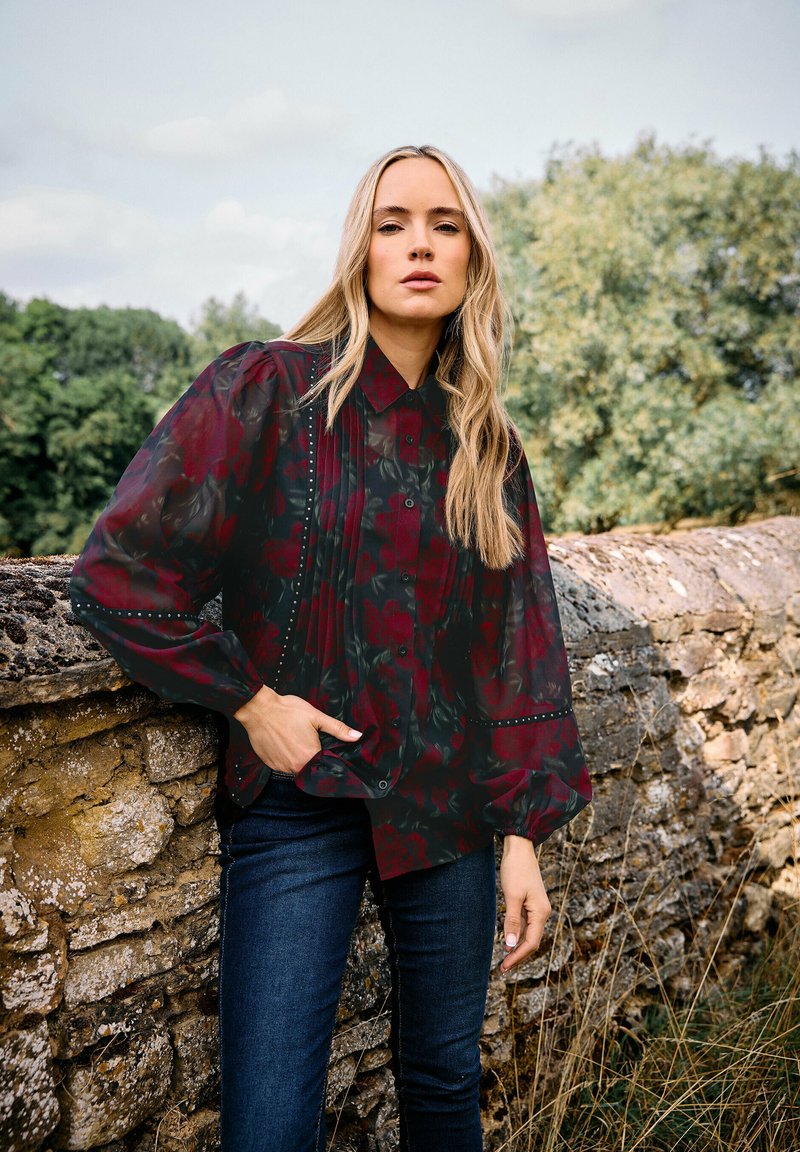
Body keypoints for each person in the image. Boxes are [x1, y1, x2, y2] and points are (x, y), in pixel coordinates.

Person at [70, 144, 591, 1152]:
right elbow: (121, 571)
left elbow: (515, 646)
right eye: (393, 224)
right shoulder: (269, 391)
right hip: (297, 805)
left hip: (447, 810)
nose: (419, 246)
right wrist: (249, 701)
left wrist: (523, 836)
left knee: (444, 1083)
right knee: (270, 1122)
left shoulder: (486, 447)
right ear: (361, 251)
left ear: (473, 259)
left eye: (444, 226)